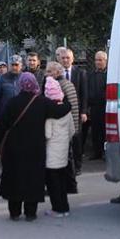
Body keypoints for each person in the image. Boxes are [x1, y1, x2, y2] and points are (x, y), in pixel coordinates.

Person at [0, 72, 70, 222]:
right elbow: (59, 111)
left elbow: (2, 126)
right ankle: (30, 213)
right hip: (35, 148)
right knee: (32, 179)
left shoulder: (12, 102)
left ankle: (14, 212)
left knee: (15, 179)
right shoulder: (41, 102)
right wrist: (68, 103)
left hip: (13, 148)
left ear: (20, 85)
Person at [44, 62, 79, 194]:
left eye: (49, 71)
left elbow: (68, 108)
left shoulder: (59, 85)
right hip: (67, 128)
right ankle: (70, 185)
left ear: (57, 72)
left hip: (61, 129)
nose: (46, 74)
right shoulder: (66, 83)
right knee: (67, 158)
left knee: (63, 159)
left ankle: (68, 186)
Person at [43, 77, 75, 218]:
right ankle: (65, 207)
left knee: (53, 183)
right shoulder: (67, 109)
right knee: (62, 181)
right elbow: (72, 131)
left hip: (51, 153)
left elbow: (47, 134)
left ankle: (57, 209)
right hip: (63, 151)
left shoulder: (49, 113)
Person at [59, 49, 88, 174]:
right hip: (61, 112)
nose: (65, 60)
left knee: (76, 139)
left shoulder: (80, 73)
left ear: (72, 58)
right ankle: (64, 165)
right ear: (60, 59)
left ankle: (77, 166)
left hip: (76, 112)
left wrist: (84, 111)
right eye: (63, 58)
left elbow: (84, 94)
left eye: (68, 58)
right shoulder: (56, 73)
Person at [87, 51, 108, 160]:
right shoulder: (91, 75)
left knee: (105, 130)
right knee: (95, 130)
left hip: (105, 106)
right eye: (96, 60)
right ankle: (96, 152)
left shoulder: (109, 74)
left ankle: (105, 152)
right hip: (94, 107)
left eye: (100, 60)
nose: (97, 62)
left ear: (105, 60)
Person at [0, 56, 22, 125]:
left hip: (22, 116)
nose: (14, 67)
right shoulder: (1, 78)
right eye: (12, 65)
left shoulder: (25, 77)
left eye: (16, 65)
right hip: (5, 116)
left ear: (21, 66)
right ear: (8, 66)